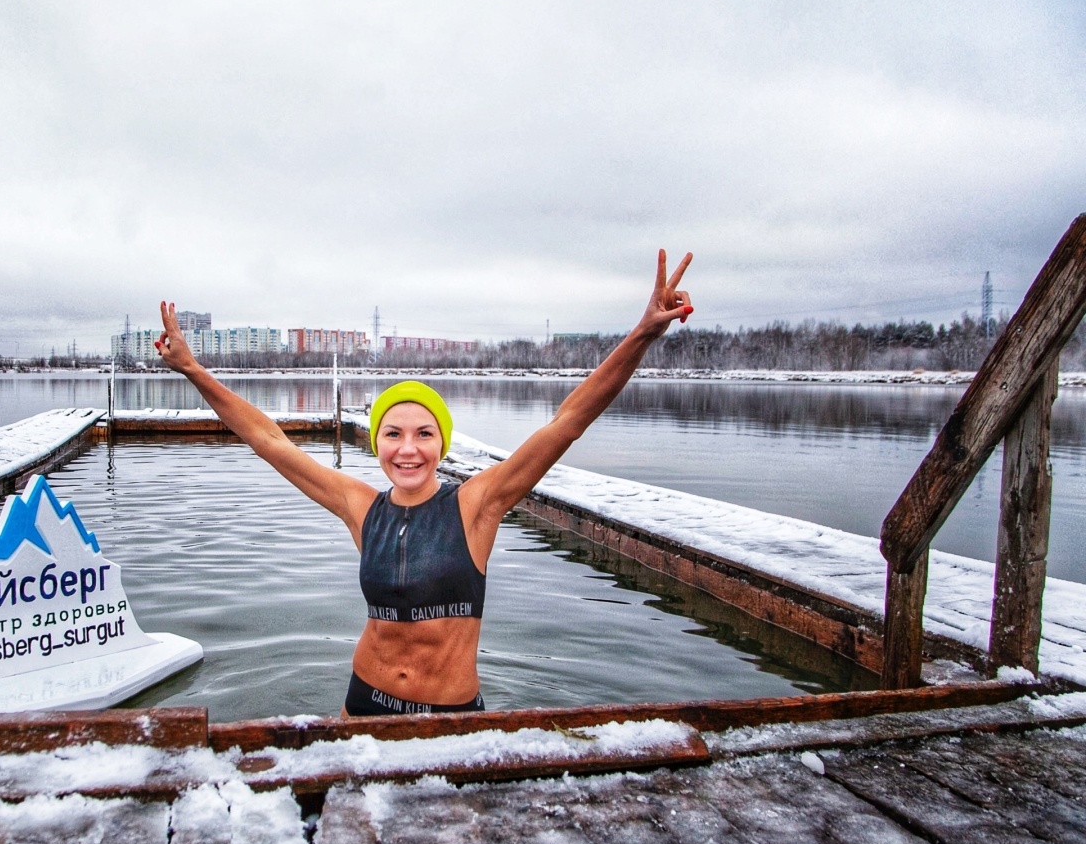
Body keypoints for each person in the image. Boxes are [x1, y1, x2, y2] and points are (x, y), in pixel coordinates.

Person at [154, 250, 692, 716]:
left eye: (423, 434)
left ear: (442, 443)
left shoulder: (478, 505)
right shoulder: (359, 506)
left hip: (451, 715)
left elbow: (566, 422)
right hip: (362, 702)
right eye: (393, 433)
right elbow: (269, 440)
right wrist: (193, 370)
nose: (407, 448)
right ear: (377, 443)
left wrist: (643, 333)